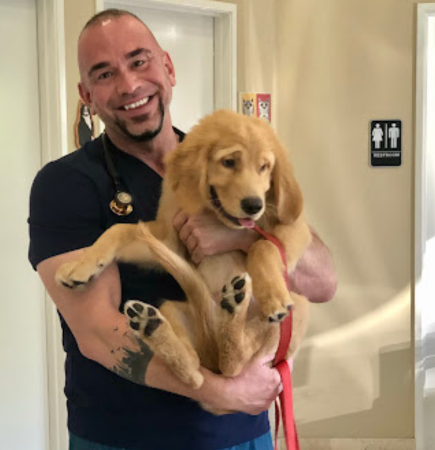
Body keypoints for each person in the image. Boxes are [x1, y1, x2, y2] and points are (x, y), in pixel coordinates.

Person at [28, 9, 337, 450]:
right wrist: (221, 392)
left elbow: (324, 282)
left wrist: (244, 236)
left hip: (242, 435)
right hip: (124, 437)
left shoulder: (224, 154)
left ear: (168, 68)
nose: (130, 85)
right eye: (104, 73)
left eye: (139, 61)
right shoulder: (66, 185)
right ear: (87, 95)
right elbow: (97, 331)